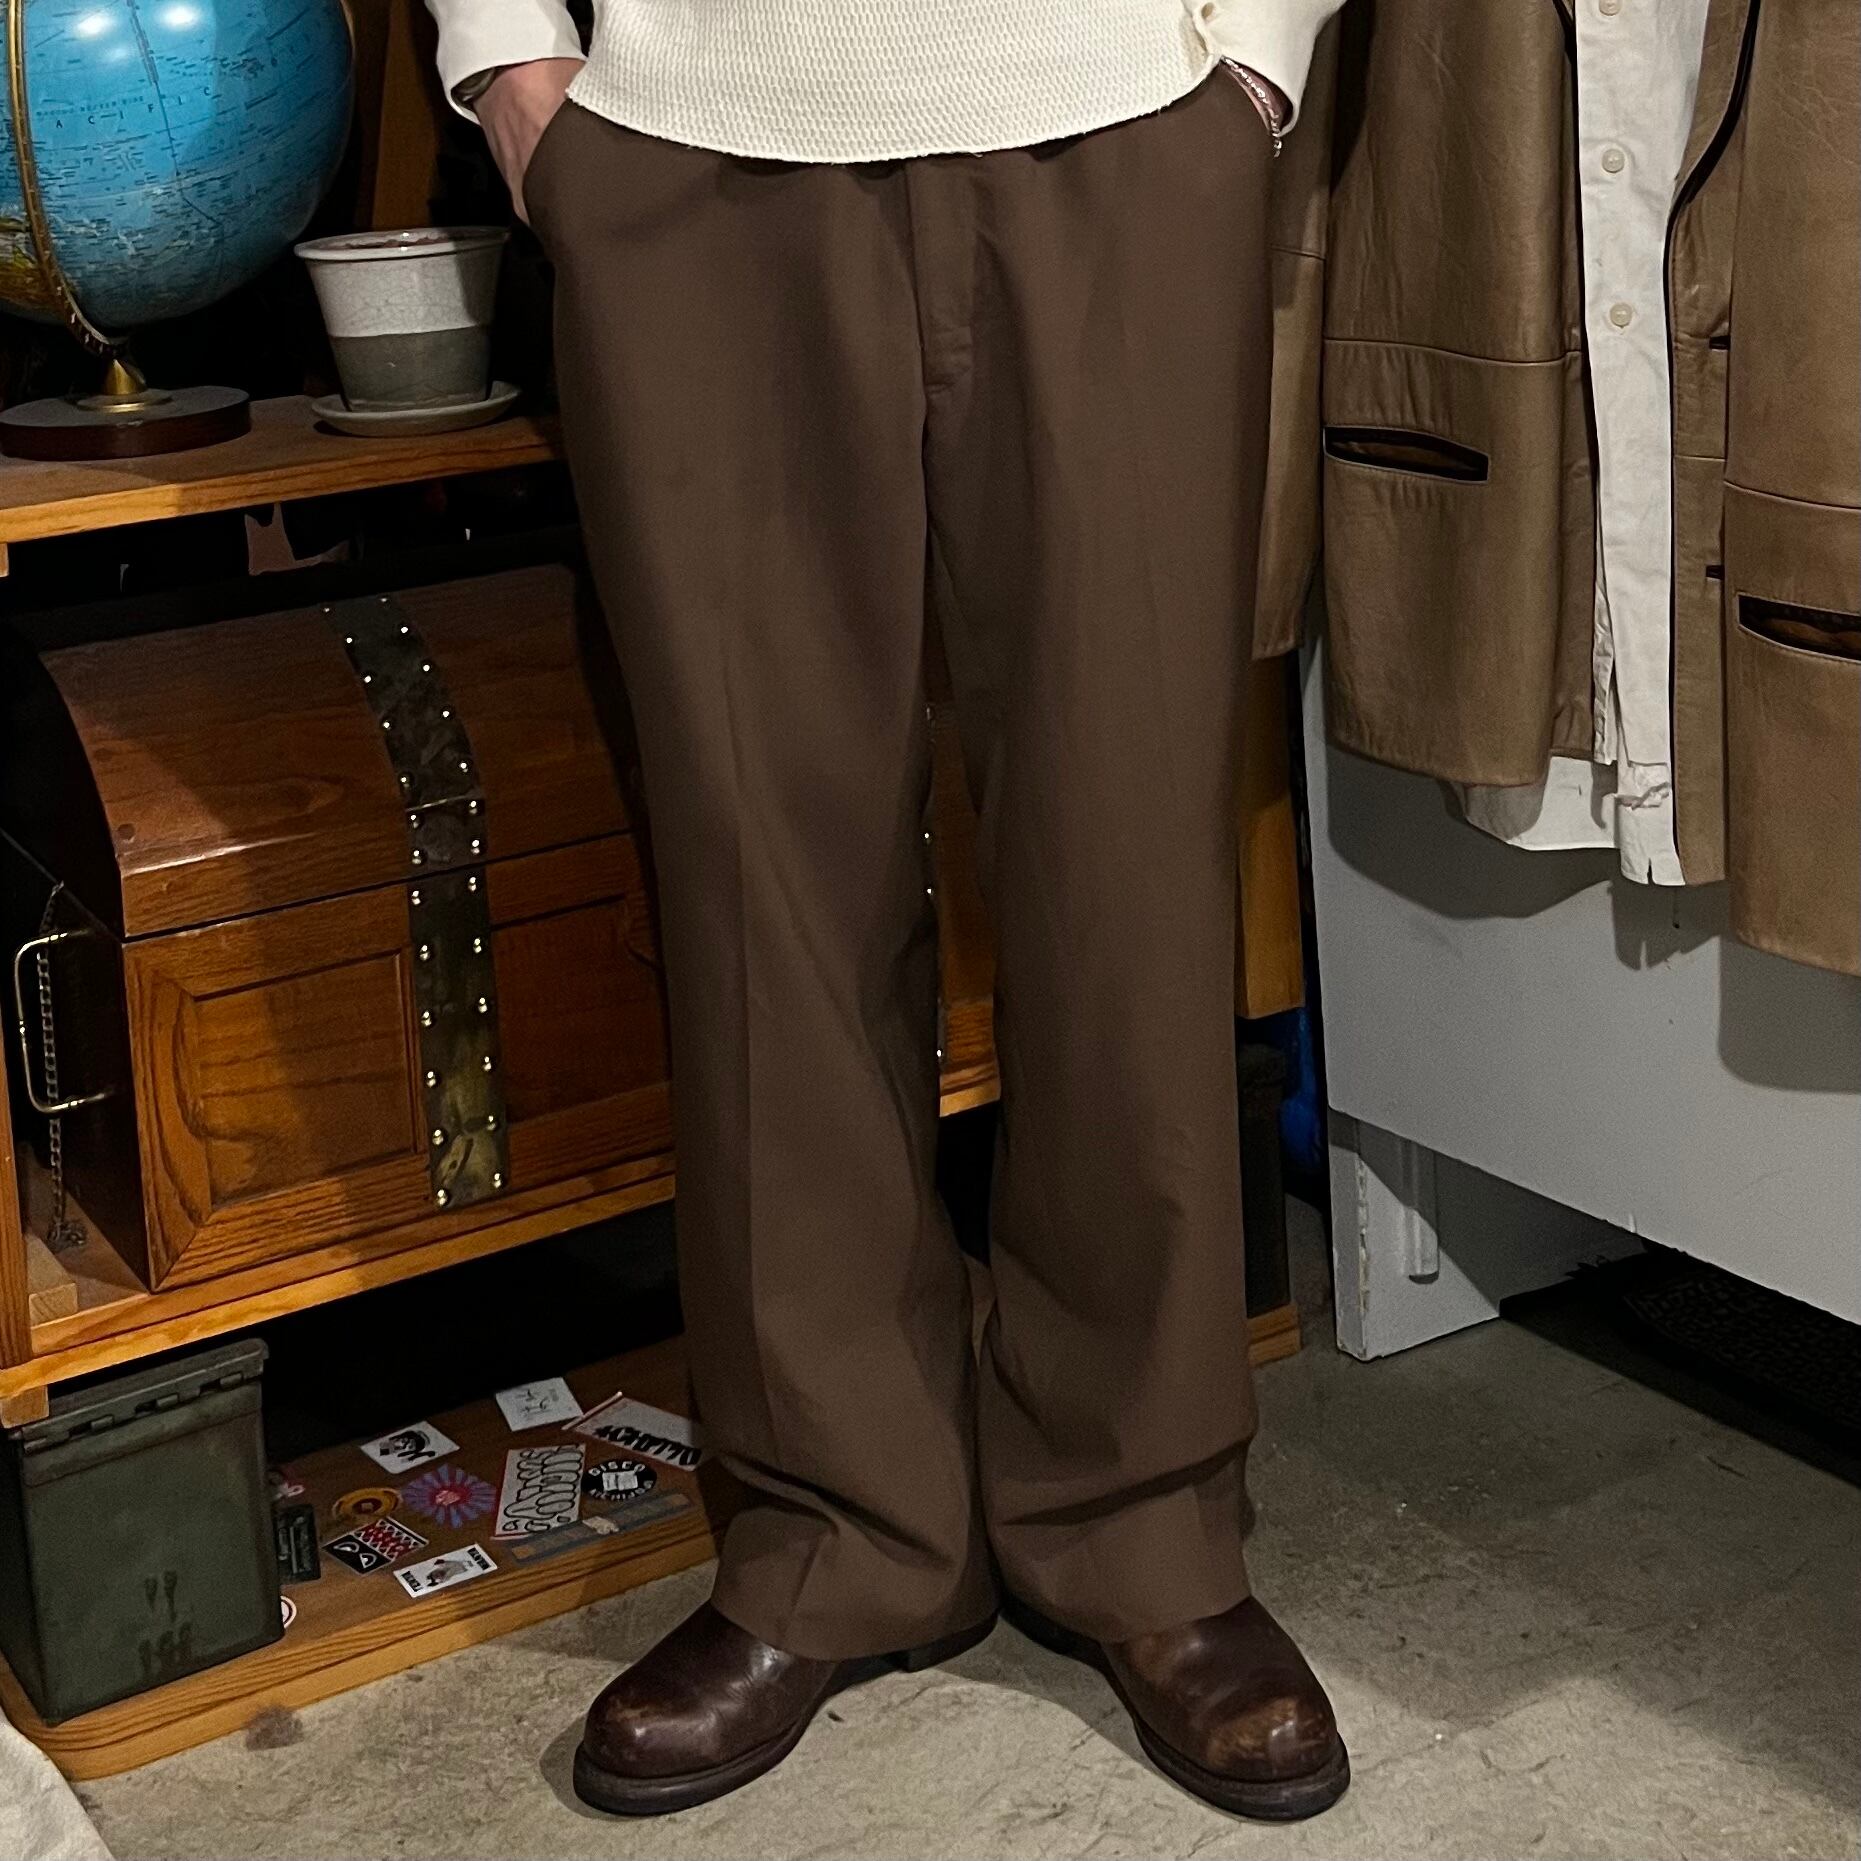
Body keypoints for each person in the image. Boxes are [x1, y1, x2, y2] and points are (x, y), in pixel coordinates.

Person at [426, 0, 1349, 1821]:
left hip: (1117, 120)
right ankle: (829, 1531)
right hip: (690, 151)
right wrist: (509, 62)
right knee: (757, 885)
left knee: (1128, 870)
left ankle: (1145, 1525)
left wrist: (1252, 51)